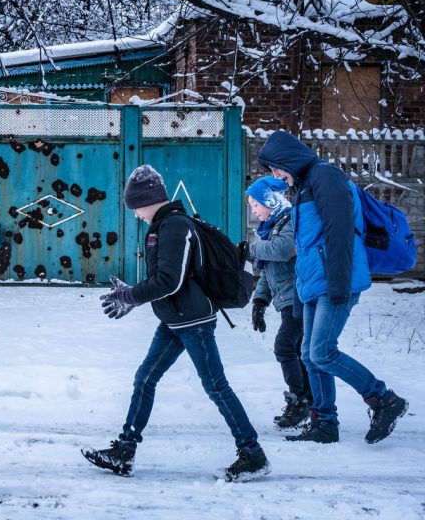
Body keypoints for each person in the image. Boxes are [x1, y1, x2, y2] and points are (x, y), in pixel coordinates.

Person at [82, 164, 270, 482]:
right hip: (175, 319)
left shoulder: (174, 227)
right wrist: (134, 298)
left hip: (194, 321)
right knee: (145, 379)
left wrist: (132, 297)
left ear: (148, 199)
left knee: (216, 387)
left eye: (136, 207)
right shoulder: (162, 227)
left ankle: (252, 453)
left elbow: (170, 281)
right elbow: (163, 281)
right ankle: (124, 451)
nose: (136, 214)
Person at [258, 130, 408, 444]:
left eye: (275, 169)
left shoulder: (326, 178)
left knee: (323, 352)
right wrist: (301, 292)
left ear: (287, 160)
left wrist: (339, 286)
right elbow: (305, 245)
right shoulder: (303, 186)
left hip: (335, 281)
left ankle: (384, 399)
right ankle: (324, 423)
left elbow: (340, 235)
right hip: (314, 282)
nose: (275, 176)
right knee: (309, 355)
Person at [246, 176, 312, 428]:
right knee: (296, 351)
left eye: (255, 204)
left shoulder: (290, 221)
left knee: (285, 347)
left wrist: (253, 249)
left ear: (270, 201)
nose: (253, 210)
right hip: (288, 300)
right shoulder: (272, 227)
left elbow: (281, 250)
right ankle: (308, 400)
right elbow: (270, 269)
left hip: (300, 296)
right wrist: (259, 301)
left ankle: (300, 402)